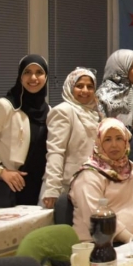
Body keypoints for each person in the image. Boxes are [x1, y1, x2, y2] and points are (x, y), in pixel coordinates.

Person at [0, 54, 50, 206]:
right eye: (27, 72)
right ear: (20, 76)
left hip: (40, 190)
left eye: (39, 72)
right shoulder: (4, 107)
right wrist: (1, 171)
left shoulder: (49, 112)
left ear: (46, 77)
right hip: (9, 189)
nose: (33, 77)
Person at [69, 117, 133, 243]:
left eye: (119, 138)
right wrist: (130, 239)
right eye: (107, 139)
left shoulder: (130, 168)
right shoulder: (88, 175)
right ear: (99, 143)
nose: (114, 145)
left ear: (126, 141)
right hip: (106, 245)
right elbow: (97, 215)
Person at [41, 68, 100, 208]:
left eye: (90, 87)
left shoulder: (95, 113)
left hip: (89, 185)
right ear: (70, 87)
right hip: (64, 188)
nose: (85, 90)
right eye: (79, 86)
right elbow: (55, 151)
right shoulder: (63, 111)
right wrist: (52, 189)